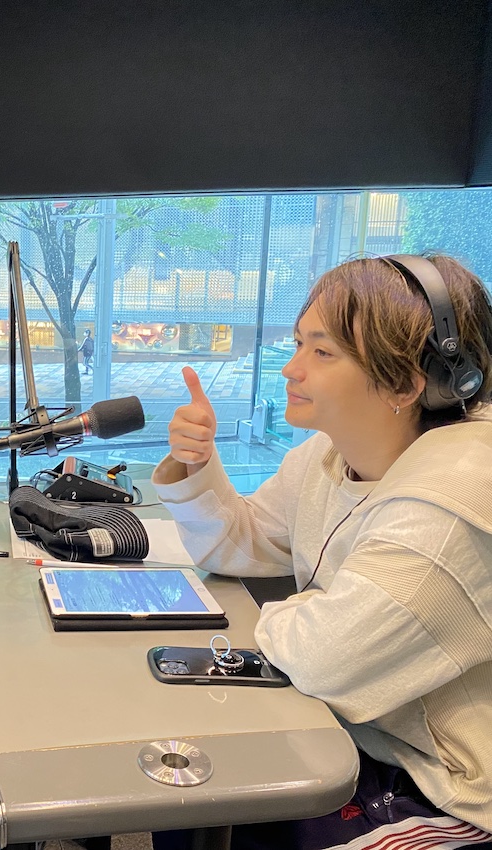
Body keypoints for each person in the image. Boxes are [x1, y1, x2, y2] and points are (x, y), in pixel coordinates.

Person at [152, 254, 492, 849]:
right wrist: (196, 463)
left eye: (322, 352)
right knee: (185, 803)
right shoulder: (330, 455)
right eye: (297, 344)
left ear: (409, 382)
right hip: (357, 730)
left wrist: (297, 617)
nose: (291, 368)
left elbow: (324, 658)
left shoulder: (457, 492)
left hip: (445, 786)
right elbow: (240, 543)